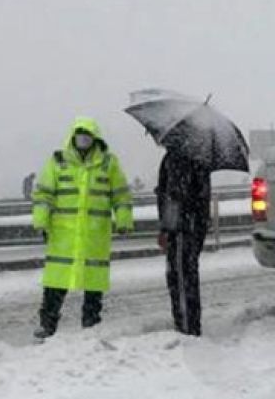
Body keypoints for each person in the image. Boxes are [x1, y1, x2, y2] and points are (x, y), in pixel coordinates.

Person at [31, 117, 133, 339]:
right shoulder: (58, 161)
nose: (83, 137)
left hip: (94, 234)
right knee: (55, 283)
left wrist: (124, 219)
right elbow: (44, 193)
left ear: (95, 137)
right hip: (63, 234)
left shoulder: (108, 163)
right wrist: (41, 219)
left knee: (93, 282)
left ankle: (91, 323)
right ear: (72, 135)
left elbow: (121, 194)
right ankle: (47, 325)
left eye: (87, 133)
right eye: (80, 133)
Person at [155, 126, 215, 336]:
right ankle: (186, 322)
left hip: (182, 227)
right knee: (182, 275)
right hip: (186, 226)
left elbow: (173, 196)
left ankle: (187, 326)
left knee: (180, 276)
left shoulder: (181, 158)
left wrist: (167, 226)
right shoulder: (190, 157)